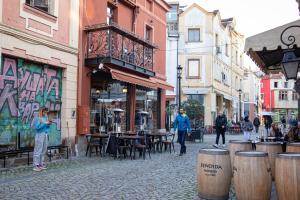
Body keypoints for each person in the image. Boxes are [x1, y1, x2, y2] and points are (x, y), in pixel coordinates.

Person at [33, 107, 52, 172]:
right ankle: (36, 165)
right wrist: (44, 124)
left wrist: (48, 124)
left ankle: (41, 163)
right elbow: (37, 127)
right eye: (44, 112)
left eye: (46, 112)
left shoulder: (45, 118)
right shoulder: (38, 118)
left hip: (45, 134)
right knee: (38, 149)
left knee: (44, 149)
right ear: (41, 111)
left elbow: (46, 127)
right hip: (39, 134)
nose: (45, 113)